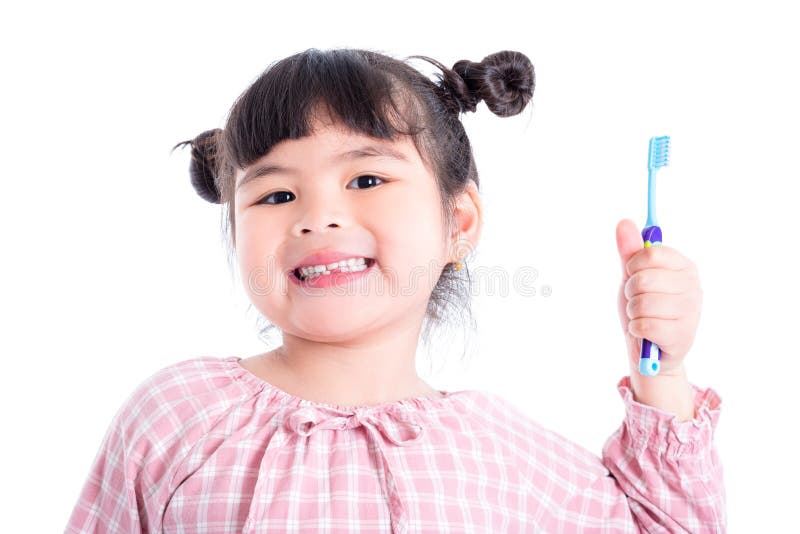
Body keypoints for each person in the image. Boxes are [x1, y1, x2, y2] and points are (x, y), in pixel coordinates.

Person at [65, 47, 725, 533]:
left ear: (457, 223)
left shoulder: (502, 456)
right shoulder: (178, 416)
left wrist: (662, 369)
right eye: (275, 193)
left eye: (366, 180)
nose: (317, 216)